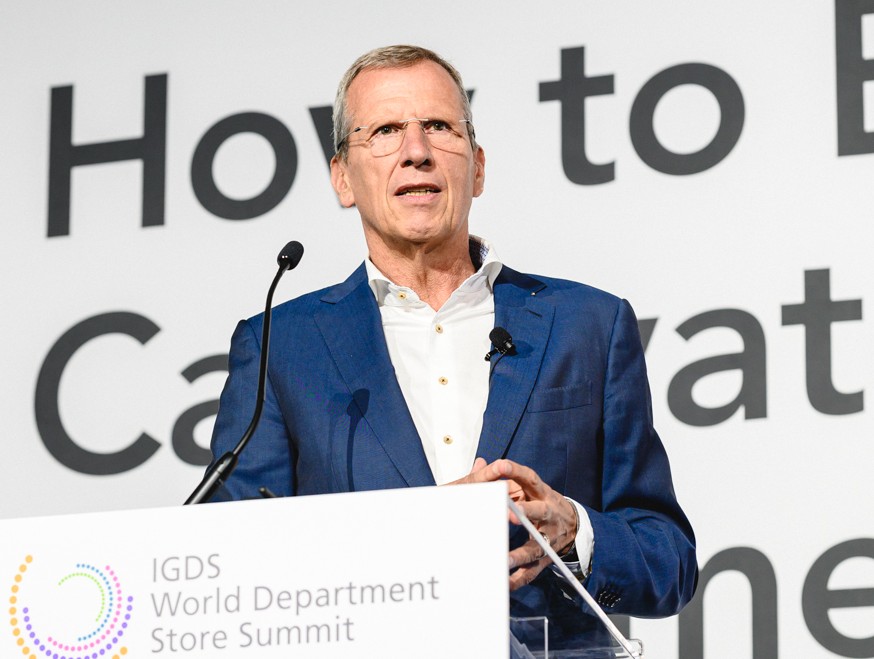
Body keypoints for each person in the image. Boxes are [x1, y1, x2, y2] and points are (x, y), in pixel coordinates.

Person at [208, 44, 697, 647]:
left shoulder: (588, 325)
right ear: (343, 178)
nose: (416, 150)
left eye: (439, 126)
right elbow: (233, 567)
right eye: (385, 131)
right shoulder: (282, 347)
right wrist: (423, 533)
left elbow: (669, 561)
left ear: (478, 167)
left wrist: (575, 529)